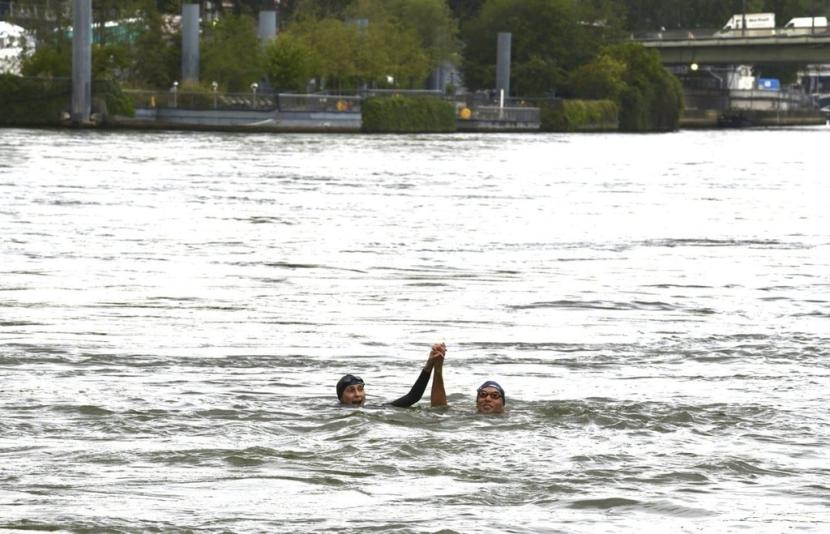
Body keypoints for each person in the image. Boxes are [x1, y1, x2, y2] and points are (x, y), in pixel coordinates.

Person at [336, 343, 446, 407]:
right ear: (340, 398)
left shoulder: (375, 409)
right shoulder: (332, 412)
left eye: (360, 389)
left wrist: (430, 364)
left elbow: (413, 397)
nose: (357, 394)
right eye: (351, 390)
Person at [429, 348, 505, 414]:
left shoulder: (512, 417)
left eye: (494, 395)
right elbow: (439, 408)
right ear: (477, 403)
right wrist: (438, 367)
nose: (487, 399)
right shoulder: (467, 414)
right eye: (483, 394)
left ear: (503, 404)